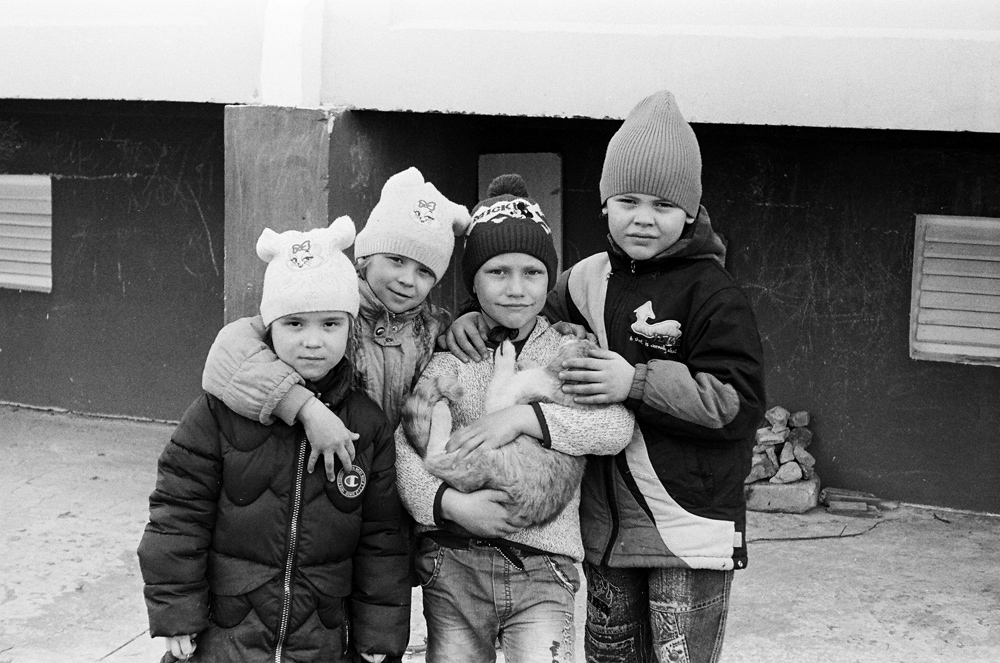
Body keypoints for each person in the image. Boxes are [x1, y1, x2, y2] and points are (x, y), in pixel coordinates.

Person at [447, 91, 767, 663]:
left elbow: (737, 404)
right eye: (628, 200)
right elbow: (523, 307)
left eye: (664, 204)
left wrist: (635, 383)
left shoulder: (713, 293)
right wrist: (475, 316)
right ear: (604, 203)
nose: (643, 217)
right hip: (602, 530)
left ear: (691, 210)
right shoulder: (584, 279)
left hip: (684, 530)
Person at [137, 218, 410, 662]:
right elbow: (178, 515)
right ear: (269, 327)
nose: (313, 341)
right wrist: (178, 612)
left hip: (318, 634)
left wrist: (378, 633)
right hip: (226, 633)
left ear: (350, 328)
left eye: (330, 324)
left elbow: (382, 538)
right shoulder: (217, 413)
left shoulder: (368, 424)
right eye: (294, 323)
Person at [395, 175, 636, 663]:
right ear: (473, 281)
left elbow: (616, 428)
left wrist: (528, 418)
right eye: (497, 272)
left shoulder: (568, 350)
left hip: (545, 568)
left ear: (550, 279)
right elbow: (406, 450)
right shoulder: (451, 356)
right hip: (455, 562)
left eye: (532, 272)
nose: (516, 289)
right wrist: (448, 505)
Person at [201, 167, 472, 481]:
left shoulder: (432, 327)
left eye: (424, 271)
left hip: (392, 475)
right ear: (364, 257)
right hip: (326, 464)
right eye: (396, 260)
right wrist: (304, 407)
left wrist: (469, 319)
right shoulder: (326, 307)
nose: (407, 279)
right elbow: (229, 355)